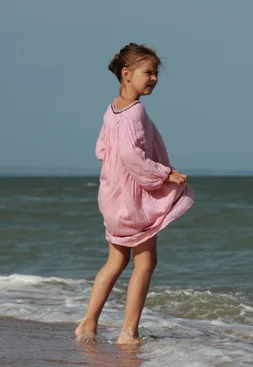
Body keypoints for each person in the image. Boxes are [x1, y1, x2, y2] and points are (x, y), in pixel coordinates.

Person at [75, 43, 195, 344]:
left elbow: (101, 150)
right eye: (148, 72)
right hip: (132, 202)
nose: (153, 78)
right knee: (145, 263)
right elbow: (132, 156)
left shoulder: (112, 109)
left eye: (156, 73)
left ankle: (87, 324)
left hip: (111, 198)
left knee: (115, 262)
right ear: (127, 74)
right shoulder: (136, 112)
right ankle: (128, 332)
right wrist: (165, 173)